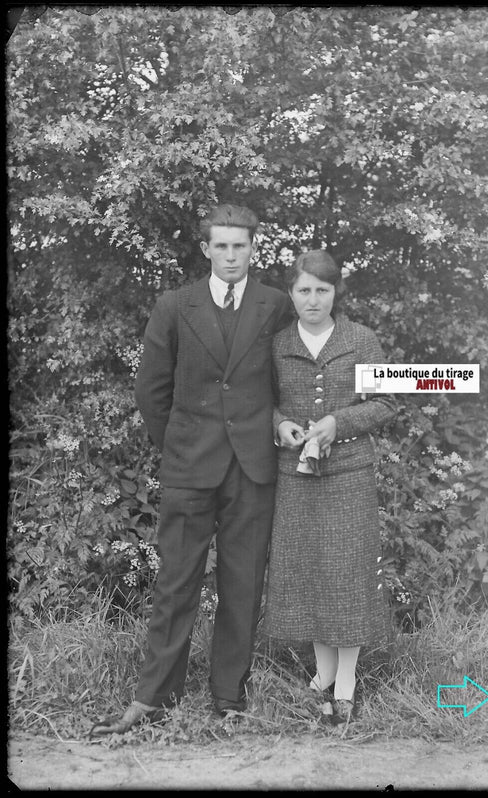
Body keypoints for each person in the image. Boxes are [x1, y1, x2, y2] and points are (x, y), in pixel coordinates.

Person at [90, 204, 291, 736]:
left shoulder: (274, 305)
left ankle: (229, 697)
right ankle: (155, 697)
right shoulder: (176, 305)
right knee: (176, 583)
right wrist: (178, 446)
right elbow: (151, 388)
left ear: (253, 248)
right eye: (221, 246)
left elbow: (288, 380)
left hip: (252, 470)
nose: (231, 255)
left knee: (242, 585)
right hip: (188, 466)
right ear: (206, 249)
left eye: (240, 246)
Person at [263, 249, 396, 725]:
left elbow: (384, 404)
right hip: (297, 479)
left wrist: (339, 421)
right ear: (292, 294)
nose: (313, 300)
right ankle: (322, 675)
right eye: (304, 290)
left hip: (348, 477)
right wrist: (281, 426)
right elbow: (266, 404)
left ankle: (347, 682)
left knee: (347, 576)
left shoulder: (361, 341)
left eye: (322, 290)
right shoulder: (278, 344)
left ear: (335, 292)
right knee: (314, 575)